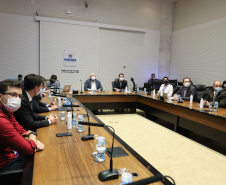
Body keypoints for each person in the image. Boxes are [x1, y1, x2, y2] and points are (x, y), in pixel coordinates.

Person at [0, 80, 44, 184]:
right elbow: (28, 149)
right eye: (13, 95)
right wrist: (33, 135)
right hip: (6, 163)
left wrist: (29, 138)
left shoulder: (8, 112)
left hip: (14, 154)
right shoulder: (1, 120)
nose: (17, 99)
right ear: (0, 97)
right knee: (43, 165)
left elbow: (21, 130)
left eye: (19, 96)